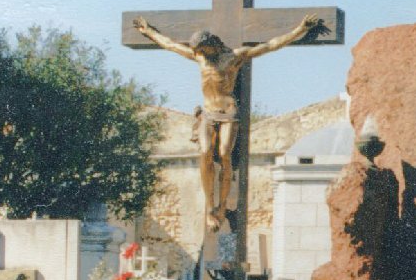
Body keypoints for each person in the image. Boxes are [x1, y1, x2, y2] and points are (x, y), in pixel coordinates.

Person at [133, 13, 324, 231]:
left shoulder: (234, 57)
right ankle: (210, 205)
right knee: (204, 153)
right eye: (198, 51)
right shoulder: (200, 58)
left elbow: (270, 45)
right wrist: (148, 32)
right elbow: (170, 45)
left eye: (203, 50)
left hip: (228, 114)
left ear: (211, 44)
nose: (201, 54)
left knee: (224, 155)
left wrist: (300, 29)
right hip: (208, 113)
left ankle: (222, 206)